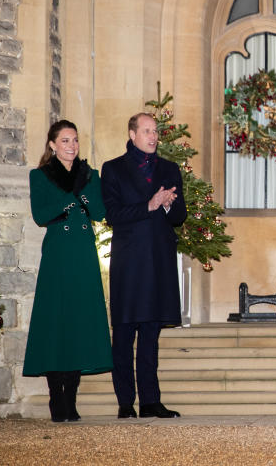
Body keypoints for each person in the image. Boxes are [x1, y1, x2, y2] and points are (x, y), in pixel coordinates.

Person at [23, 120, 112, 422]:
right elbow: (41, 215)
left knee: (78, 325)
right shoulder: (40, 175)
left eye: (74, 140)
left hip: (84, 255)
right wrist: (71, 199)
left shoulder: (91, 175)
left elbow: (99, 212)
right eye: (64, 140)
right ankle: (55, 396)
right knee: (55, 326)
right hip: (58, 256)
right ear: (52, 145)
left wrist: (84, 197)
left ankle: (71, 398)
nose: (71, 146)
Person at [101, 112, 187, 419]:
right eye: (147, 131)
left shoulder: (169, 168)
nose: (153, 136)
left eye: (155, 132)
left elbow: (179, 217)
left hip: (158, 260)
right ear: (132, 133)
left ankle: (151, 401)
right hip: (129, 262)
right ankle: (126, 402)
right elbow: (112, 214)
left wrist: (167, 204)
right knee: (124, 334)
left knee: (151, 334)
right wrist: (148, 205)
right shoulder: (113, 169)